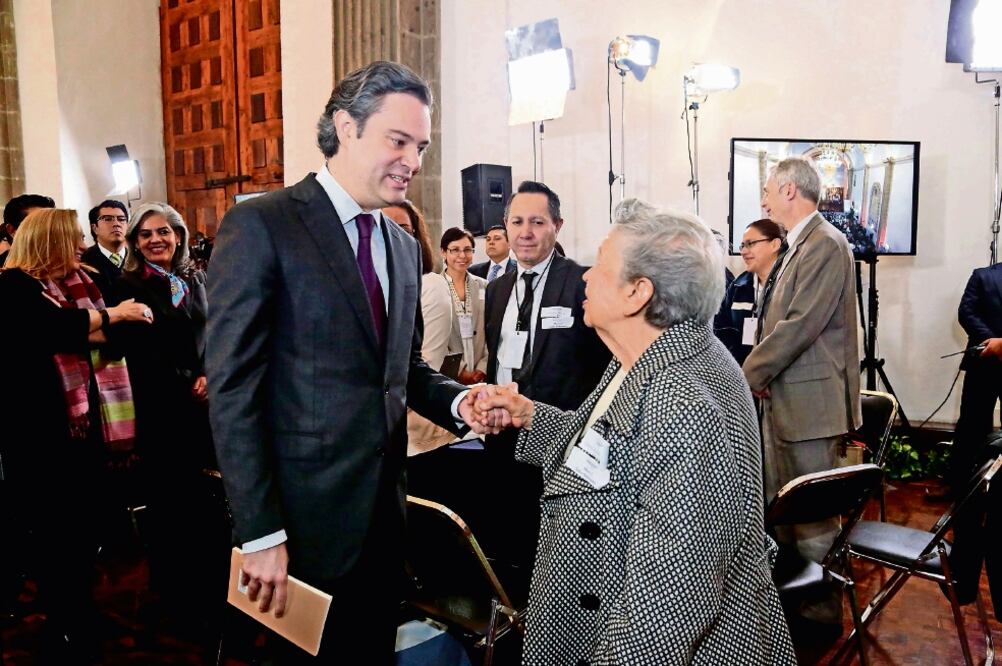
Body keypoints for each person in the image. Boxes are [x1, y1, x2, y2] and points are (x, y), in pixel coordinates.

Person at [206, 60, 488, 664]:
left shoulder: (404, 246)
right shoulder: (263, 224)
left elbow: (402, 370)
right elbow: (234, 390)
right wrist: (259, 533)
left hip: (383, 524)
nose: (413, 160)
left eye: (422, 146)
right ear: (346, 127)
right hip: (296, 529)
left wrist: (460, 401)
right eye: (399, 140)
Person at [473, 199, 795, 665]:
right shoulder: (642, 356)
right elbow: (608, 447)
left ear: (637, 293)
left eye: (601, 267)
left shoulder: (681, 400)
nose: (584, 276)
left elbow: (663, 614)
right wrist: (530, 415)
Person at [0, 208, 151, 663]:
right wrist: (109, 318)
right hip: (39, 434)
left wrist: (96, 325)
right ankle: (62, 621)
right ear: (47, 242)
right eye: (71, 240)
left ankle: (81, 610)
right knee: (52, 534)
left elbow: (120, 338)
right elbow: (44, 332)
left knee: (85, 530)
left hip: (87, 430)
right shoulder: (12, 286)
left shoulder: (81, 284)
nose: (80, 248)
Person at [743, 156, 861, 627]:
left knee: (813, 521)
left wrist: (742, 379)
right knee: (785, 507)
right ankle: (792, 607)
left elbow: (799, 326)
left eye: (769, 190)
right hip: (786, 399)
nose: (765, 199)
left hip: (811, 407)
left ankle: (820, 614)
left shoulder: (825, 244)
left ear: (790, 191)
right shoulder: (799, 244)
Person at [480, 180, 611, 569]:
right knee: (509, 541)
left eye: (537, 222)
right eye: (516, 221)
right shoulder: (498, 288)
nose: (525, 232)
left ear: (558, 225)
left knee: (556, 552)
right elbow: (497, 357)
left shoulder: (581, 283)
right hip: (503, 438)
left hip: (560, 439)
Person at [111, 202, 218, 631]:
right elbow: (140, 353)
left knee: (204, 504)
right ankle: (175, 597)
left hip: (204, 406)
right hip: (161, 407)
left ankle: (208, 590)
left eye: (164, 232)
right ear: (136, 242)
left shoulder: (194, 278)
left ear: (179, 236)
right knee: (169, 505)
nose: (156, 240)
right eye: (145, 235)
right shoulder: (127, 285)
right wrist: (185, 381)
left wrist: (211, 373)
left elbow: (213, 330)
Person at [384, 201, 456, 454]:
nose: (393, 234)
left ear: (417, 236)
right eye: (384, 226)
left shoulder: (429, 284)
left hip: (412, 420)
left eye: (403, 228)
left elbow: (424, 361)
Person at [949, 261, 1002, 491]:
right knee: (971, 426)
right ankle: (959, 485)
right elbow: (966, 313)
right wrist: (993, 341)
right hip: (984, 363)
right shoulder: (983, 276)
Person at [714, 218, 786, 364]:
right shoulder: (738, 287)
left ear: (775, 244)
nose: (744, 252)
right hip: (743, 373)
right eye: (742, 246)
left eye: (751, 244)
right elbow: (721, 330)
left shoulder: (790, 284)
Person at [440, 226, 488, 384]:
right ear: (443, 252)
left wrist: (483, 368)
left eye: (468, 249)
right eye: (455, 250)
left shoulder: (484, 286)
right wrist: (459, 371)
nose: (462, 255)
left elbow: (494, 330)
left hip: (482, 372)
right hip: (447, 373)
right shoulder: (434, 287)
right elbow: (432, 336)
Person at [82, 200, 129, 297]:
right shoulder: (84, 261)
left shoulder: (139, 257)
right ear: (95, 228)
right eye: (108, 219)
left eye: (121, 219)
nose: (116, 224)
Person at [0, 193, 55, 266]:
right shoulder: (5, 271)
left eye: (53, 224)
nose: (49, 231)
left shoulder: (68, 266)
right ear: (12, 230)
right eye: (39, 225)